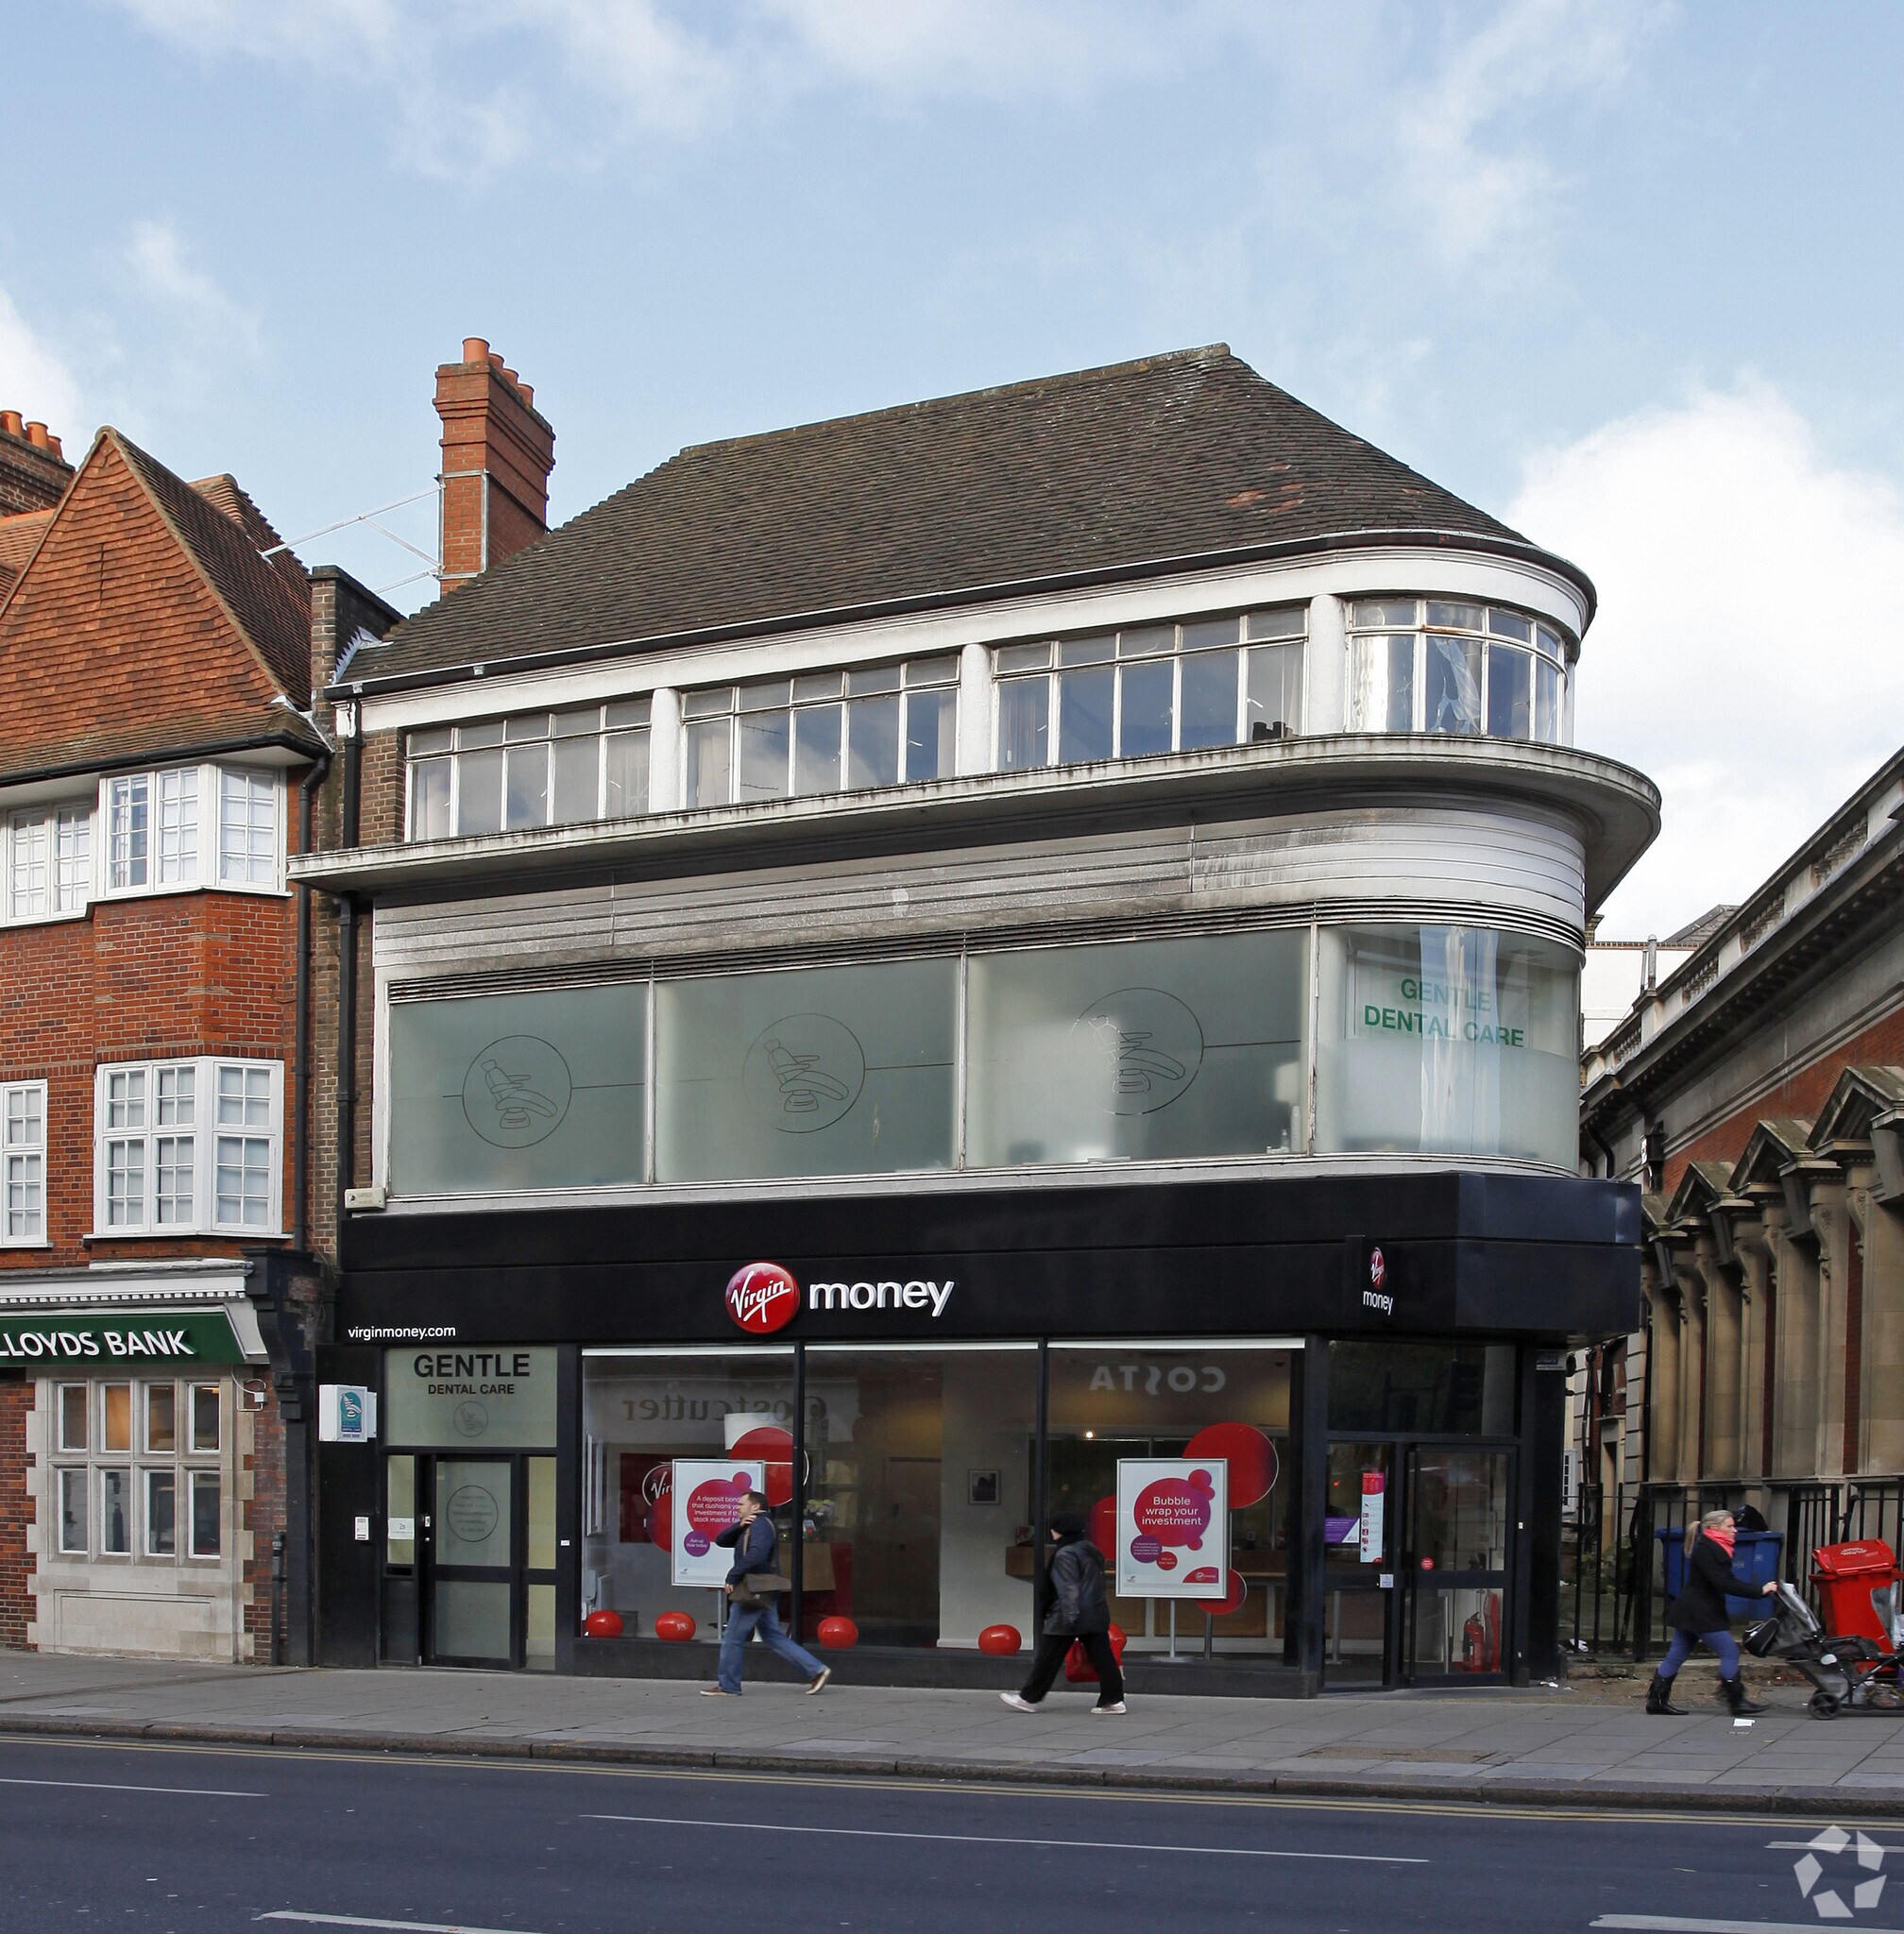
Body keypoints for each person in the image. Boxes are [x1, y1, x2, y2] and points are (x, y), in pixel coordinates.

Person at [700, 1489, 831, 1699]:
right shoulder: (754, 1524)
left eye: (741, 1504)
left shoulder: (760, 1526)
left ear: (755, 1506)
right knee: (772, 1635)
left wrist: (732, 1576)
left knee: (732, 1637)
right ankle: (816, 1670)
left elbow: (756, 1554)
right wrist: (739, 1525)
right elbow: (721, 1539)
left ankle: (728, 1685)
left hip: (754, 1590)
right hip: (764, 1589)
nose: (737, 1507)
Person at [1647, 1508, 1777, 1716]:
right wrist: (1759, 1590)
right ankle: (1736, 1700)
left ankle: (1657, 1700)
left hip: (1694, 1608)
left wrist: (1758, 1590)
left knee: (1677, 1654)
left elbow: (1724, 1580)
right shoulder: (1707, 1549)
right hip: (1701, 1611)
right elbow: (1723, 1582)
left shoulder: (1713, 1546)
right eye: (1730, 1526)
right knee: (1729, 1652)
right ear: (1713, 1528)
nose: (1734, 1530)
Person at [999, 1512, 1126, 1716]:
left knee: (1048, 1659)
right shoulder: (1090, 1550)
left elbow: (1068, 1589)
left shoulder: (1065, 1554)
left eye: (1054, 1529)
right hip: (1095, 1612)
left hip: (1068, 1615)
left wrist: (1070, 1617)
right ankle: (1114, 1701)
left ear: (1060, 1531)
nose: (1052, 1532)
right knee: (1103, 1658)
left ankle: (1028, 1698)